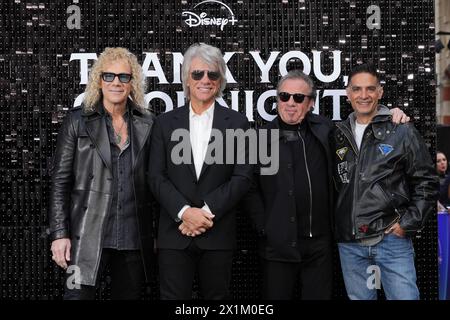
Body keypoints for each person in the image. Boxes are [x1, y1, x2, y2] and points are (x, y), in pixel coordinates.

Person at [243, 69, 409, 300]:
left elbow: (365, 129)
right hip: (277, 246)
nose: (290, 103)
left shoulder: (329, 131)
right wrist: (265, 226)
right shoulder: (260, 138)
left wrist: (390, 113)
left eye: (299, 98)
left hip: (320, 247)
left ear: (311, 102)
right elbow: (249, 188)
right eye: (284, 96)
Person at [148, 43, 253, 299]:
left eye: (212, 74)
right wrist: (184, 213)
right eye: (197, 74)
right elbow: (155, 176)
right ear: (186, 79)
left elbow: (242, 177)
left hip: (217, 233)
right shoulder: (163, 123)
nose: (205, 80)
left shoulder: (238, 123)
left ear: (220, 80)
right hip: (175, 234)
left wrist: (203, 215)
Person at [49, 47, 154, 299]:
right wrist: (59, 234)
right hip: (85, 235)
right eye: (109, 76)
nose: (116, 82)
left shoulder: (148, 122)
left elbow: (155, 183)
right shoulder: (77, 121)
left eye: (123, 77)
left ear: (133, 83)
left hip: (132, 239)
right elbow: (60, 182)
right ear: (99, 80)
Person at [333, 63, 438, 300]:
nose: (363, 95)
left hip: (391, 241)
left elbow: (427, 182)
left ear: (380, 92)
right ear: (348, 94)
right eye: (357, 89)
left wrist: (407, 224)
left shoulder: (401, 130)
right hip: (350, 244)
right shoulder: (337, 134)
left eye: (370, 89)